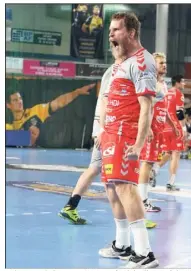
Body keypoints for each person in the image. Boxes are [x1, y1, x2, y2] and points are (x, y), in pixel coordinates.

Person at [59, 61, 157, 229]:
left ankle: (70, 205)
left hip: (107, 128)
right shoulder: (120, 71)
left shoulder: (121, 70)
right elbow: (106, 101)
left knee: (95, 168)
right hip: (111, 131)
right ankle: (136, 217)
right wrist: (102, 130)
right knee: (123, 177)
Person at [98, 12, 159, 268]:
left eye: (115, 30)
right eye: (110, 30)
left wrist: (138, 142)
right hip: (111, 134)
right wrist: (101, 131)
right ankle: (122, 245)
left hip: (125, 134)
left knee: (125, 187)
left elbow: (147, 106)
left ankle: (145, 253)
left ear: (131, 33)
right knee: (112, 189)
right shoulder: (121, 63)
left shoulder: (142, 62)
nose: (110, 34)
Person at [138, 52, 178, 211]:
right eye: (161, 63)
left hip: (160, 129)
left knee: (151, 163)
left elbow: (163, 107)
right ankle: (142, 201)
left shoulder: (163, 83)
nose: (164, 65)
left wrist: (172, 124)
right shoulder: (150, 82)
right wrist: (147, 128)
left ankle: (143, 196)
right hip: (151, 128)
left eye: (165, 62)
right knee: (146, 163)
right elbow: (145, 107)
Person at [6, 84, 95, 146]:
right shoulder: (7, 125)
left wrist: (77, 92)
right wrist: (26, 139)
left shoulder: (36, 111)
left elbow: (58, 103)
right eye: (15, 100)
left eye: (20, 99)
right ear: (8, 105)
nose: (20, 102)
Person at [152, 75, 186, 191]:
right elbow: (179, 114)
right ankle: (171, 183)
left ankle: (155, 168)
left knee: (168, 152)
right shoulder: (178, 94)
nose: (184, 84)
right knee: (176, 154)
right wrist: (183, 128)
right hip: (175, 127)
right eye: (183, 82)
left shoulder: (166, 93)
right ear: (177, 82)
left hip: (164, 126)